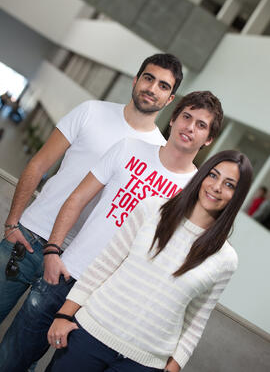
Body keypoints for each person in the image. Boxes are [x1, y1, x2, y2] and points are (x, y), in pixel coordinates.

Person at [0, 91, 224, 371]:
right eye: (186, 117)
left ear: (209, 139)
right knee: (13, 357)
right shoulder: (128, 147)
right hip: (64, 273)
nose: (190, 127)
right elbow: (78, 198)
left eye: (201, 125)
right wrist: (53, 250)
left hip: (105, 302)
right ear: (173, 120)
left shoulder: (195, 190)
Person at [0, 53, 183, 323]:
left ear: (170, 100)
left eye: (163, 86)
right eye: (148, 78)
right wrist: (13, 222)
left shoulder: (159, 152)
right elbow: (38, 164)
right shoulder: (91, 111)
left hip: (72, 265)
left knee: (21, 355)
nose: (152, 88)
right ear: (135, 80)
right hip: (30, 235)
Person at [45, 150, 253, 372]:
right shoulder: (152, 209)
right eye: (213, 175)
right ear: (201, 176)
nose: (216, 187)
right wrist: (64, 314)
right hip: (90, 335)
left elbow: (196, 320)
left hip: (143, 363)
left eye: (229, 184)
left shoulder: (226, 259)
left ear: (237, 196)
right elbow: (105, 264)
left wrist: (173, 367)